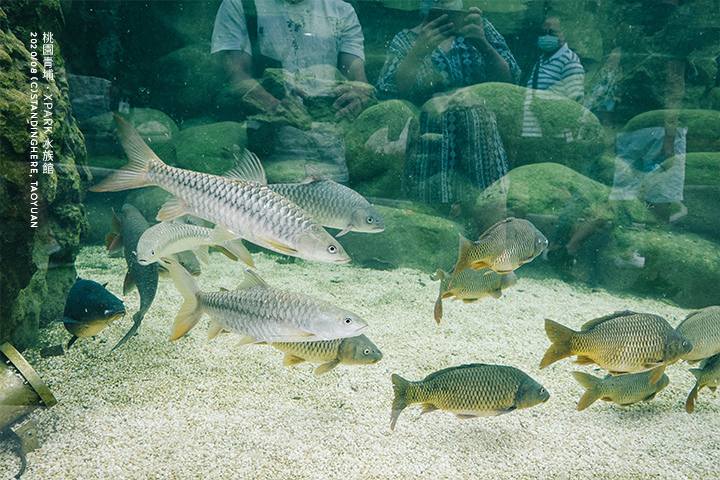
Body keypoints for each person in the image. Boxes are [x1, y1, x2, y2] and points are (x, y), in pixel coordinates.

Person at [210, 0, 375, 182]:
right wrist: (274, 106)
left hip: (330, 152)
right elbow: (235, 76)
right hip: (263, 154)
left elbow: (358, 79)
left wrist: (359, 94)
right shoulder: (241, 4)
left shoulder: (341, 10)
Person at [375, 1, 520, 204]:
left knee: (488, 206)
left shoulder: (482, 30)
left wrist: (483, 44)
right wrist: (418, 51)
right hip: (431, 144)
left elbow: (510, 83)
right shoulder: (406, 40)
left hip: (481, 141)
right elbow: (388, 92)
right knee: (433, 210)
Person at [521, 16, 585, 139]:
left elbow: (576, 101)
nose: (546, 36)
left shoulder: (569, 60)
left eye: (552, 32)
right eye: (542, 32)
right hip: (531, 134)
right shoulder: (539, 60)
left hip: (555, 136)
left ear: (563, 34)